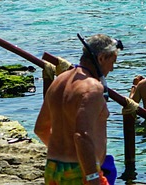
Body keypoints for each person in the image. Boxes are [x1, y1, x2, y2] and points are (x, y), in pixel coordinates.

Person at [34, 34, 122, 185]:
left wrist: (63, 153)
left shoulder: (59, 81)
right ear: (101, 58)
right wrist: (92, 176)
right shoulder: (92, 88)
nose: (112, 69)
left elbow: (40, 129)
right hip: (80, 173)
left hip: (53, 168)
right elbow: (81, 135)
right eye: (112, 61)